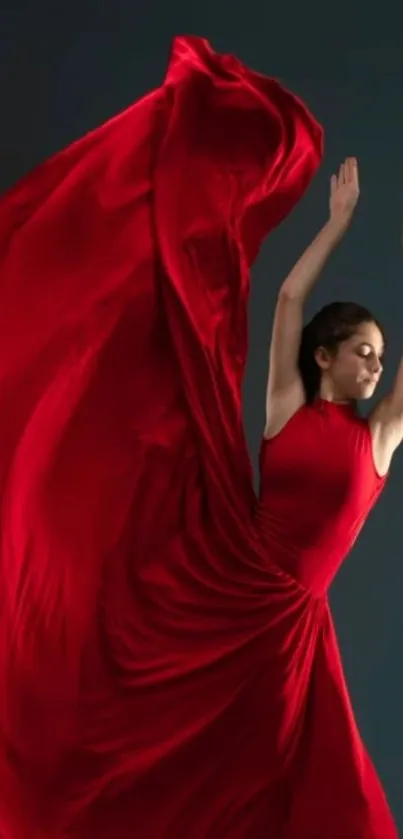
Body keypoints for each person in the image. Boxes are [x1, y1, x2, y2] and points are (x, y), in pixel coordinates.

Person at [0, 35, 398, 839]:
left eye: (380, 360)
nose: (371, 368)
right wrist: (336, 224)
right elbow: (287, 298)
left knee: (267, 779)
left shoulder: (378, 440)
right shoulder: (286, 408)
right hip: (224, 586)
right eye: (361, 352)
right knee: (145, 721)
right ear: (324, 357)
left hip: (287, 625)